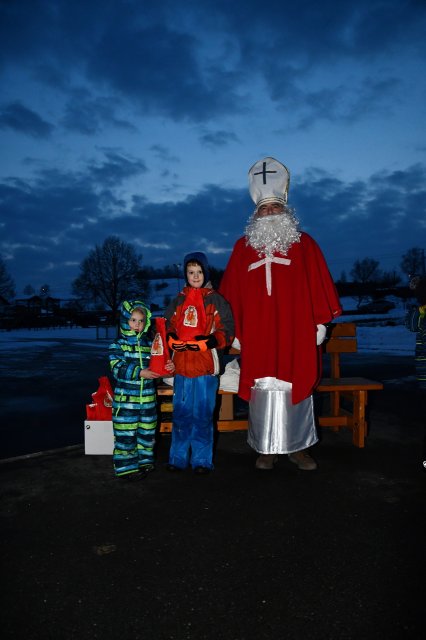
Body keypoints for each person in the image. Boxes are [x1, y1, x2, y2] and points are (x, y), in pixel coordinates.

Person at [219, 156, 342, 471]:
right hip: (258, 333)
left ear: (286, 211)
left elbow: (318, 284)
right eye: (264, 208)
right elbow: (230, 295)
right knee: (264, 386)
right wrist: (236, 334)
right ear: (255, 215)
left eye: (275, 207)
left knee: (295, 382)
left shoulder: (304, 245)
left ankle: (298, 448)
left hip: (295, 330)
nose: (270, 212)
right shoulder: (242, 248)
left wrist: (318, 323)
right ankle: (265, 448)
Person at [165, 252, 234, 474]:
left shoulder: (216, 300)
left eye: (199, 272)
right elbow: (167, 326)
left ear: (206, 273)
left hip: (205, 367)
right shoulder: (177, 301)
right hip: (182, 368)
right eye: (190, 272)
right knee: (181, 414)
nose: (195, 276)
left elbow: (228, 329)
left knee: (203, 415)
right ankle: (177, 458)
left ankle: (202, 460)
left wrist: (211, 341)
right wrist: (170, 339)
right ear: (185, 274)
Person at [109, 300, 174, 481]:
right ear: (124, 321)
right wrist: (140, 372)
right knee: (127, 433)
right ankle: (126, 467)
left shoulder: (149, 344)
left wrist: (168, 365)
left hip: (147, 400)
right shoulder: (117, 345)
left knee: (147, 432)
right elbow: (117, 367)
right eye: (133, 320)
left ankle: (145, 461)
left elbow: (158, 363)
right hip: (126, 401)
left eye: (141, 321)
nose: (137, 325)